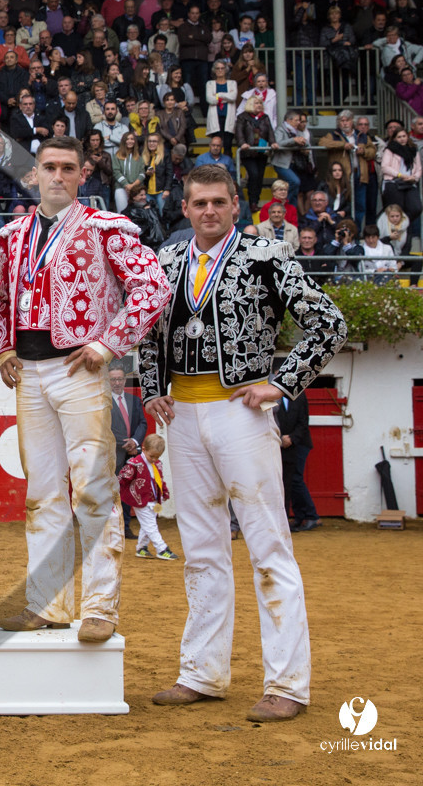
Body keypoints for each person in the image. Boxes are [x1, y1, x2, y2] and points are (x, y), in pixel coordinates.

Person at [140, 163, 346, 722]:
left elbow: (329, 323)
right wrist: (155, 390)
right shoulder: (166, 262)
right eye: (199, 203)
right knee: (202, 548)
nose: (209, 211)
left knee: (267, 545)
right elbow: (149, 333)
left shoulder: (267, 256)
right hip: (183, 417)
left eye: (219, 202)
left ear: (236, 206)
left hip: (239, 413)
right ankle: (202, 674)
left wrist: (280, 383)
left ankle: (287, 684)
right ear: (185, 209)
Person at [0, 135, 172, 643]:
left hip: (81, 373)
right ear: (35, 175)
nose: (59, 176)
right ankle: (48, 605)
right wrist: (2, 347)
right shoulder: (15, 234)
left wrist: (108, 343)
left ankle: (99, 607)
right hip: (30, 372)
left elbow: (153, 287)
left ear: (82, 175)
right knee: (43, 494)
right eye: (50, 167)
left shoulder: (105, 227)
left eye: (68, 168)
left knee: (93, 490)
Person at [118, 434, 178, 561]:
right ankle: (162, 549)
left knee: (148, 525)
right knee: (151, 526)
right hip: (139, 499)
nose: (154, 459)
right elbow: (122, 478)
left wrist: (164, 491)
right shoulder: (135, 463)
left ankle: (141, 548)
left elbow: (159, 480)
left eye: (157, 457)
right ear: (144, 449)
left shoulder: (158, 464)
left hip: (153, 500)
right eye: (152, 456)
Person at [108, 361, 146, 540]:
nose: (117, 383)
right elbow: (103, 428)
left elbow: (142, 424)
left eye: (120, 379)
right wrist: (123, 443)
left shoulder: (135, 400)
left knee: (128, 491)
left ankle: (126, 527)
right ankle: (112, 528)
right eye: (113, 379)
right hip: (113, 453)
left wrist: (135, 442)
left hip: (132, 453)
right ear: (108, 381)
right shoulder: (103, 403)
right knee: (111, 491)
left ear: (125, 380)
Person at [274, 390, 320, 533]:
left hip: (299, 443)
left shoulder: (299, 393)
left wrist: (292, 438)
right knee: (288, 480)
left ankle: (311, 516)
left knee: (295, 479)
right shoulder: (275, 395)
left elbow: (303, 421)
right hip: (283, 444)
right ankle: (300, 517)